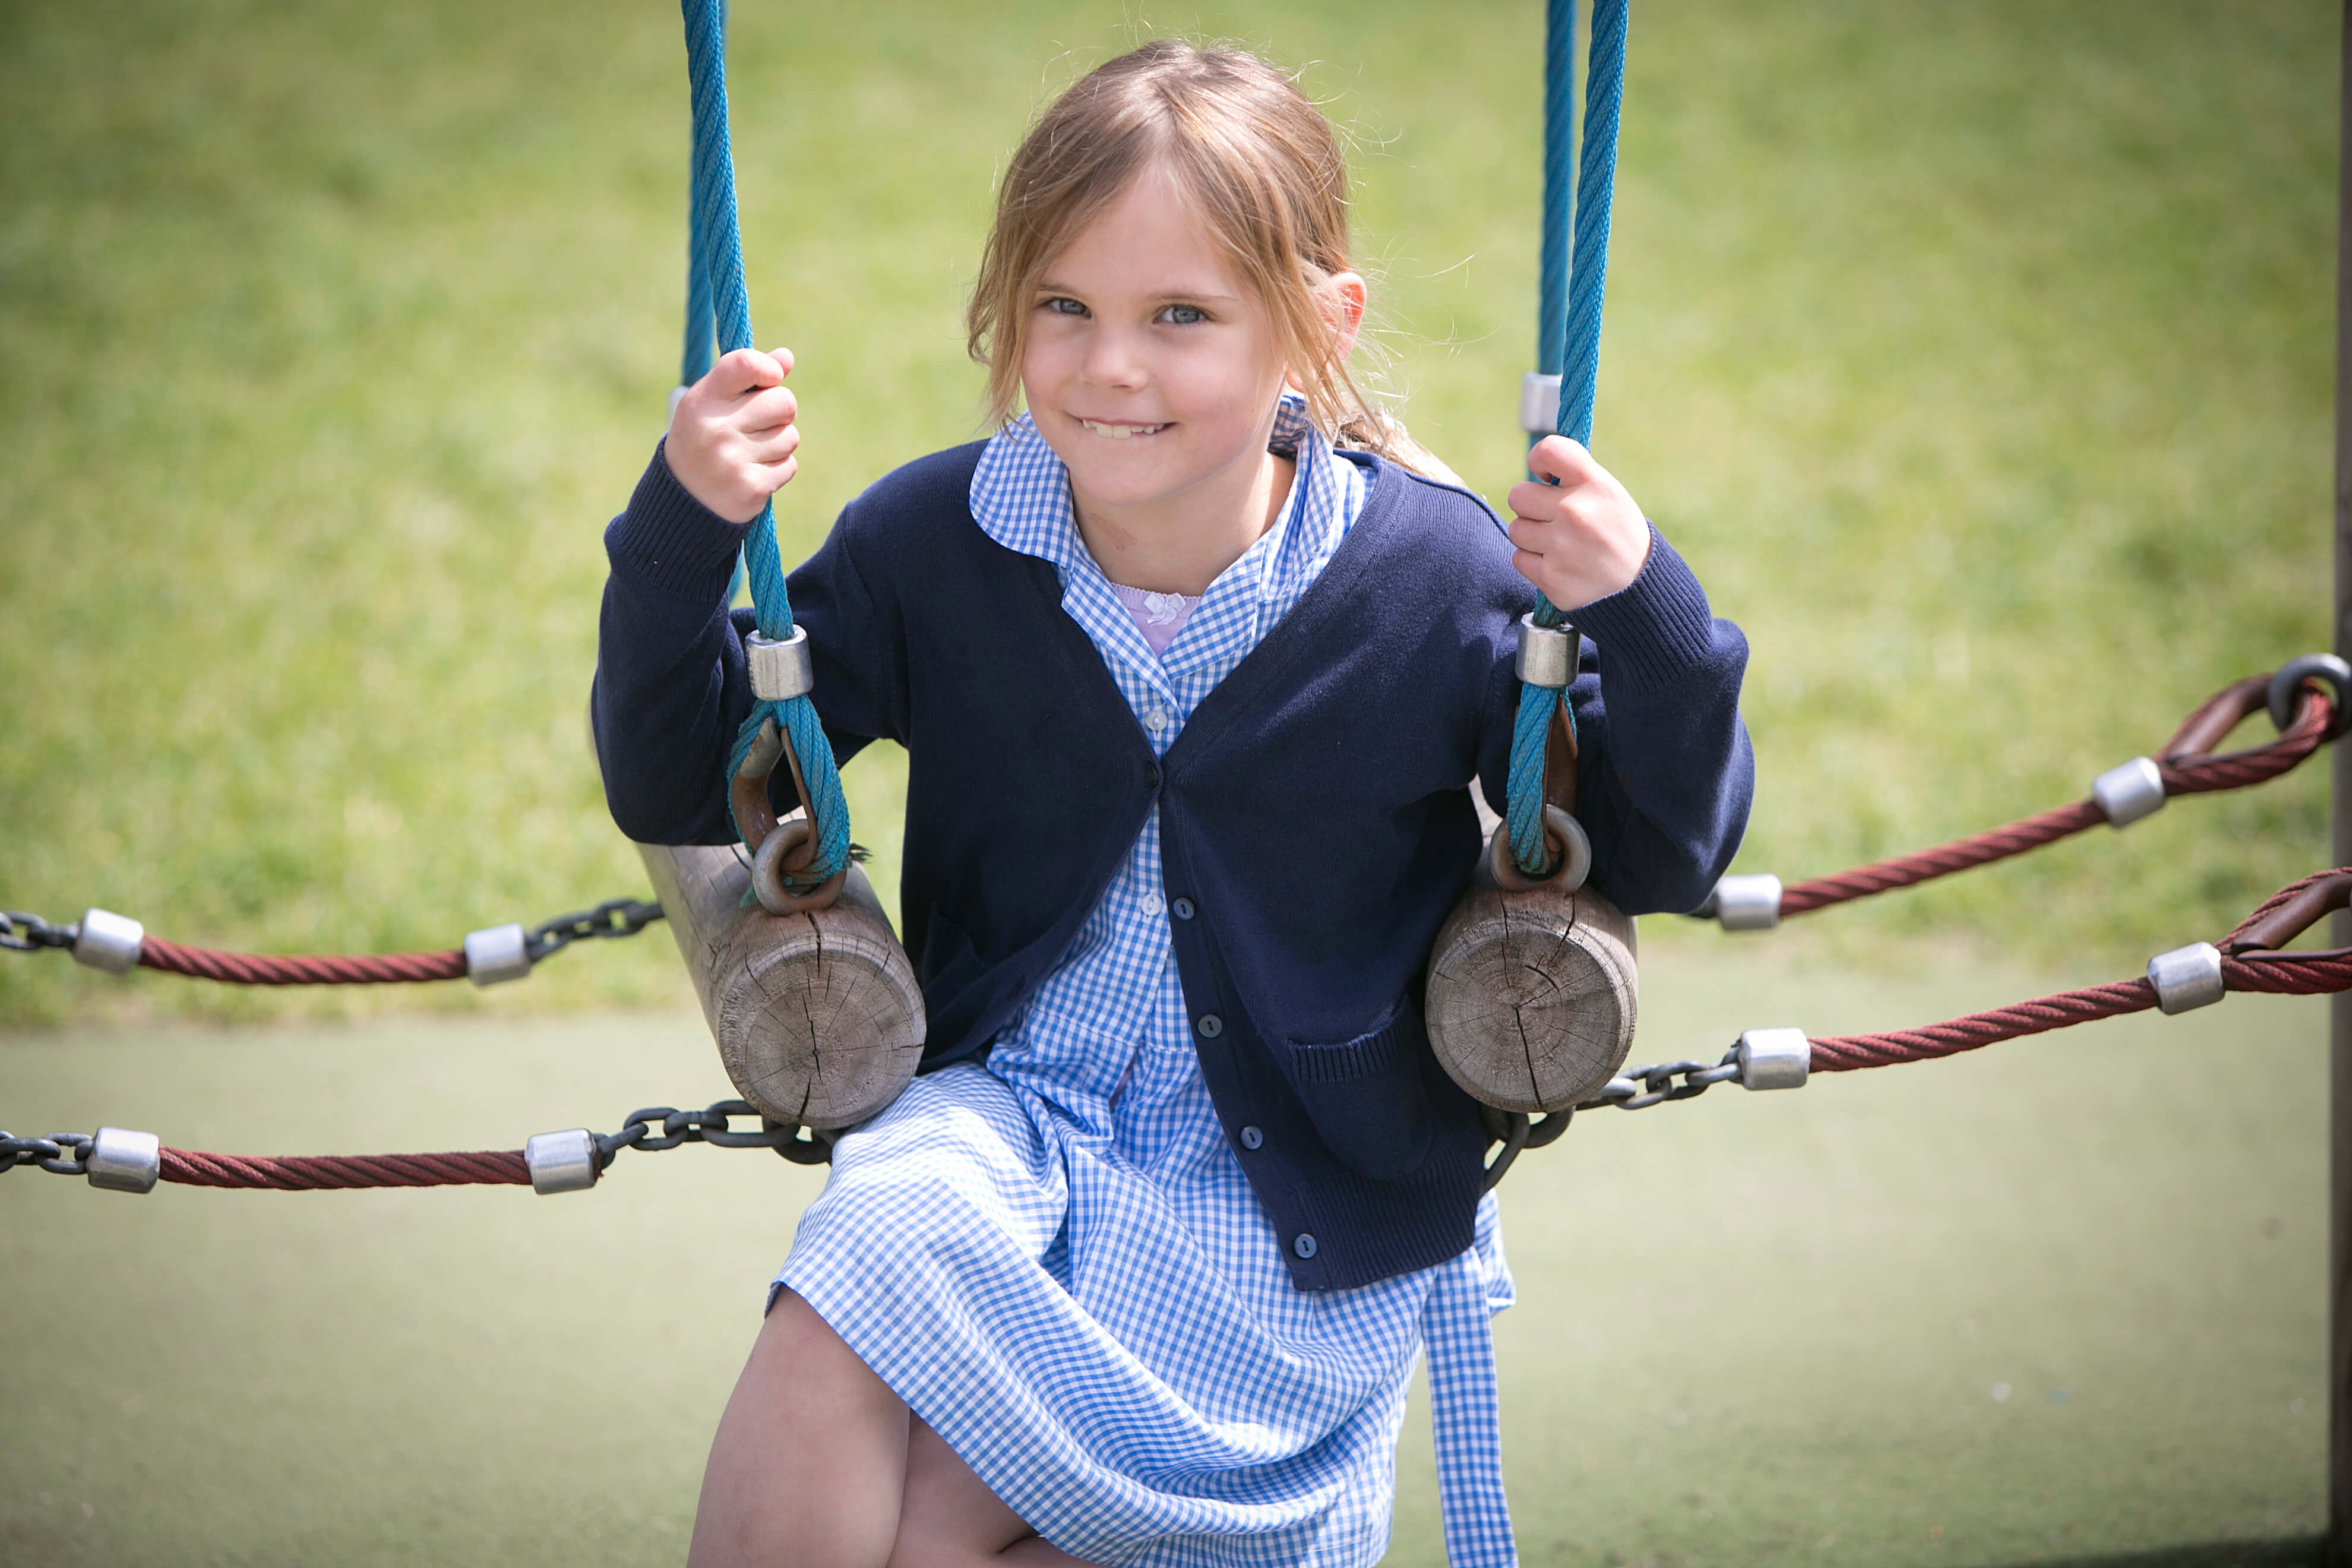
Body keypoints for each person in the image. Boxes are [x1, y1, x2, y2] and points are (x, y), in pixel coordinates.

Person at [593, 39, 1751, 1568]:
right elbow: (679, 777)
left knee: (938, 1537)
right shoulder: (938, 545)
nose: (1107, 367)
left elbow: (1667, 849)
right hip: (1007, 1128)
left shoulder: (1429, 579)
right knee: (850, 1280)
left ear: (1316, 326)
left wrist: (1646, 608)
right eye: (1062, 306)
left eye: (1180, 319)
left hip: (1290, 1209)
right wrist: (685, 529)